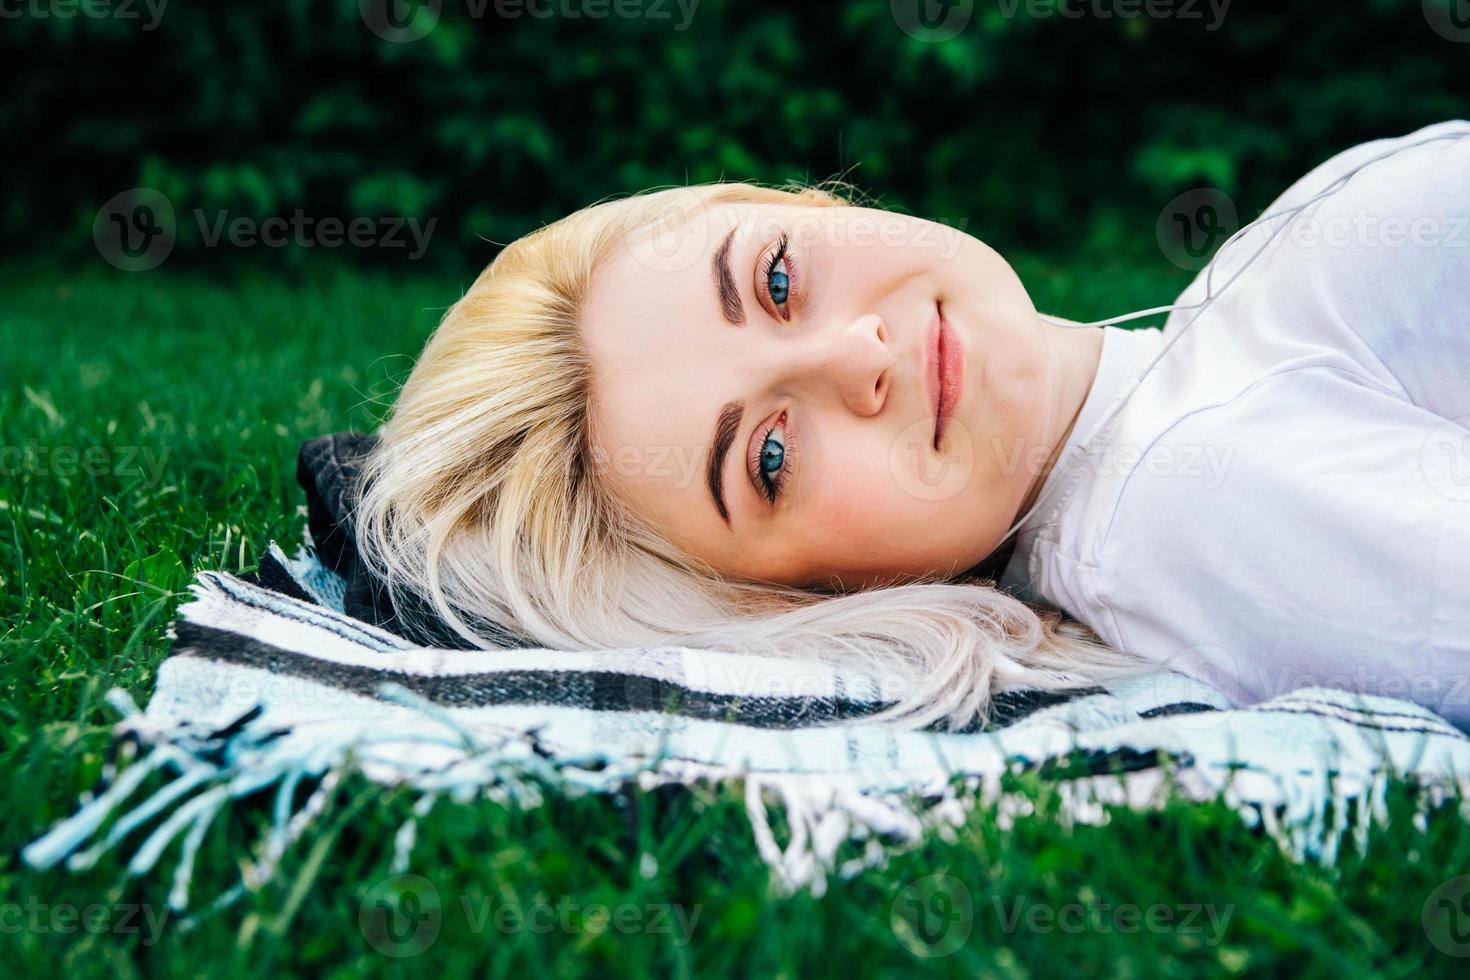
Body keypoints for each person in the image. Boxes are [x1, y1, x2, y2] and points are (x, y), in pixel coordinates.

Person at [354, 120, 1470, 730]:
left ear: (811, 208)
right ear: (805, 600)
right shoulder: (1183, 510)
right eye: (770, 458)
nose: (857, 357)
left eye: (779, 279)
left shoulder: (1200, 355)